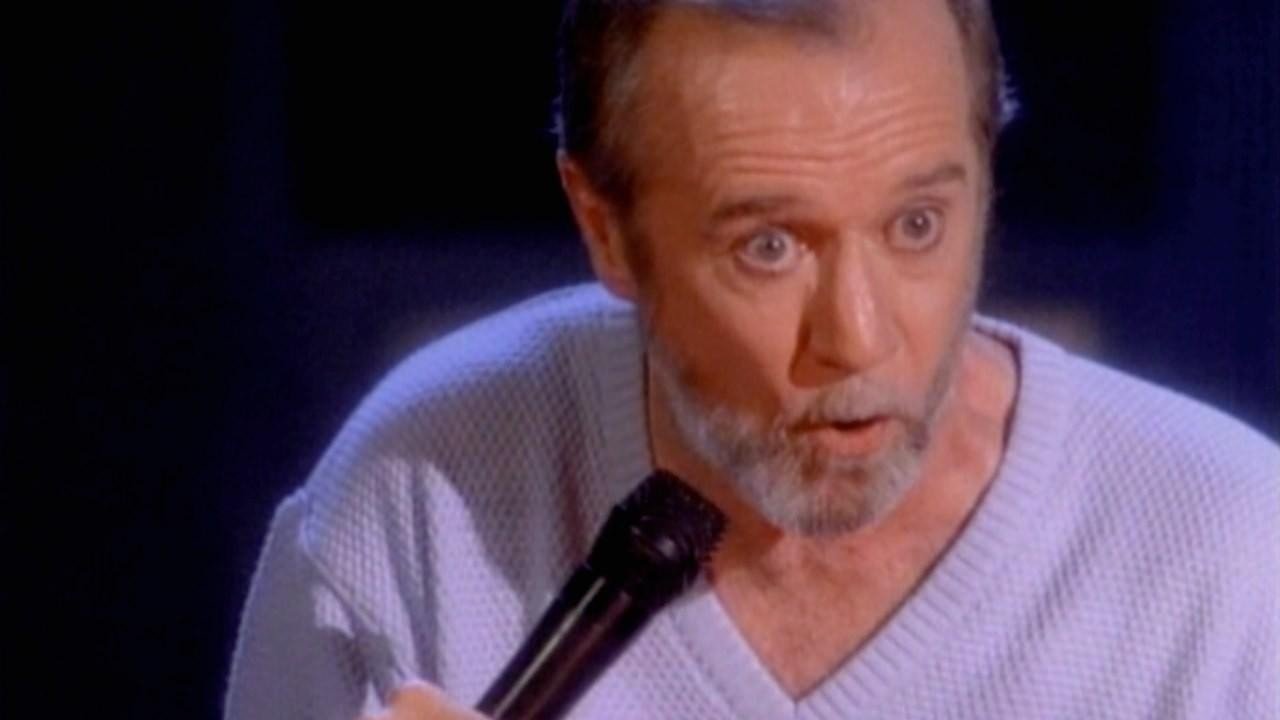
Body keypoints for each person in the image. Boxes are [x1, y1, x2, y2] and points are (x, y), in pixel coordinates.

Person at [224, 0, 1280, 717]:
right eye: (766, 246)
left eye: (916, 225)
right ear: (604, 228)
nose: (857, 338)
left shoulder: (1229, 555)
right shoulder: (416, 501)